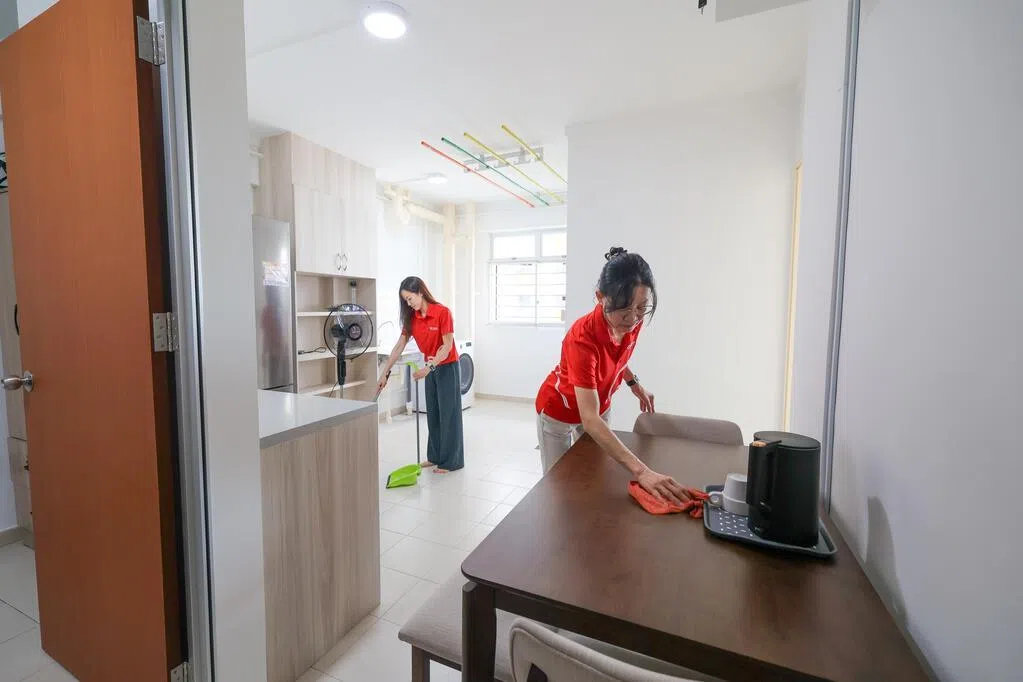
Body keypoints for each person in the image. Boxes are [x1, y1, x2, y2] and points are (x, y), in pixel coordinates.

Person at [535, 247, 690, 504]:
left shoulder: (631, 322)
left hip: (598, 405)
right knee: (559, 485)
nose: (633, 319)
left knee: (595, 472)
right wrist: (642, 471)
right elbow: (590, 419)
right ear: (601, 297)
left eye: (641, 307)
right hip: (559, 412)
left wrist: (634, 383)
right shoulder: (582, 338)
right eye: (624, 310)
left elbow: (616, 356)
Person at [378, 276, 464, 473]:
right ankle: (435, 457)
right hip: (430, 367)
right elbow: (399, 346)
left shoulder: (442, 312)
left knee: (448, 414)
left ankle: (451, 462)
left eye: (410, 298)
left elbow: (447, 346)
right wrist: (384, 373)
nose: (409, 304)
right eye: (406, 301)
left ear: (420, 292)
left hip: (447, 367)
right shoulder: (412, 318)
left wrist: (429, 368)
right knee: (433, 413)